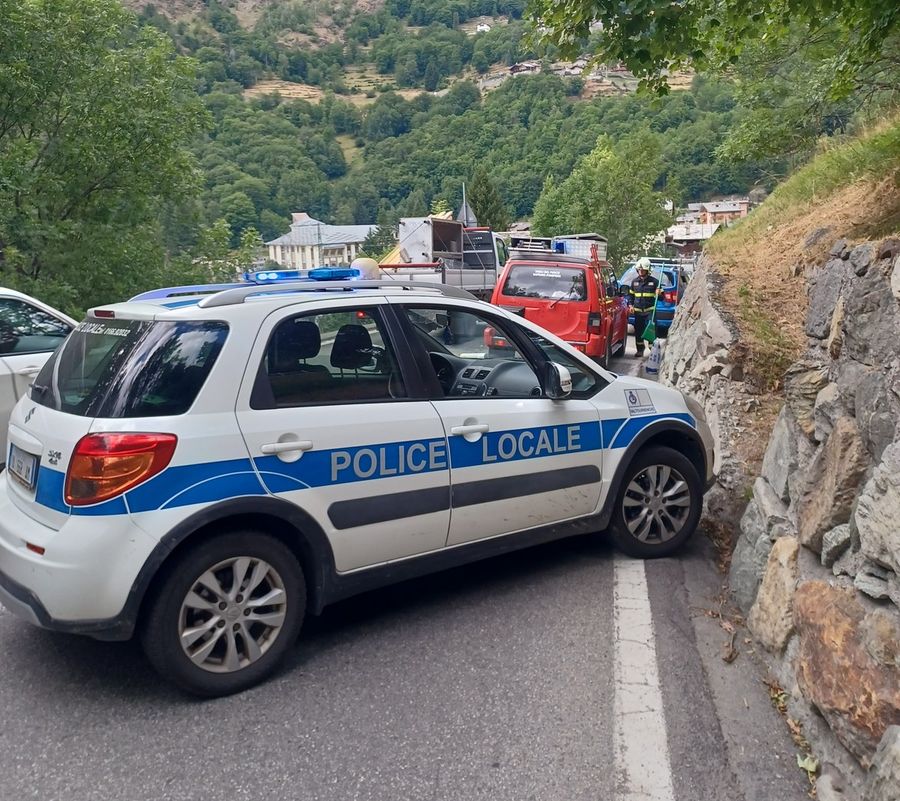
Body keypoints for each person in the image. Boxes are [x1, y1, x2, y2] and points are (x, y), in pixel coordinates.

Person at [627, 257, 661, 358]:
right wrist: (630, 305)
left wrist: (659, 293)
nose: (641, 271)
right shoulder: (634, 282)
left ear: (647, 270)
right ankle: (640, 350)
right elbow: (631, 296)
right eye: (639, 270)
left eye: (643, 270)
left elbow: (662, 298)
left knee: (651, 330)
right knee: (638, 331)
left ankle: (653, 350)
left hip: (650, 311)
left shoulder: (655, 282)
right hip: (638, 311)